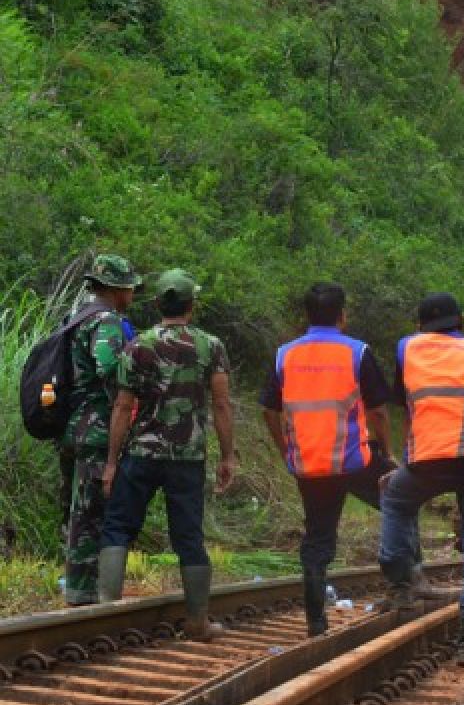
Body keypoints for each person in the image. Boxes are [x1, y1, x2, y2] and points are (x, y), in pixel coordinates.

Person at [379, 292, 464, 667]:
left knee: (395, 500)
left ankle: (399, 578)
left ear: (420, 325)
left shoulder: (407, 350)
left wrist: (406, 460)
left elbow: (409, 408)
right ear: (462, 320)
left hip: (427, 460)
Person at [96, 269, 235, 641]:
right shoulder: (211, 346)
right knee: (188, 536)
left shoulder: (138, 345)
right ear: (192, 306)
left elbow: (123, 408)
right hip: (187, 458)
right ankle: (197, 622)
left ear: (158, 304)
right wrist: (227, 456)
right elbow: (221, 404)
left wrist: (112, 462)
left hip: (141, 453)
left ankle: (106, 610)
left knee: (118, 526)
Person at [259, 282, 400, 636]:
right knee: (400, 504)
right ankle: (406, 587)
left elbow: (269, 410)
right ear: (342, 315)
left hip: (309, 463)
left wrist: (285, 450)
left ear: (306, 316)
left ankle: (315, 621)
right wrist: (390, 452)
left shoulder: (285, 355)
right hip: (354, 461)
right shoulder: (356, 352)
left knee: (318, 538)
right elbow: (379, 411)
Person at [62, 254, 140, 606]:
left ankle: (79, 588)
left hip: (74, 427)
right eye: (129, 287)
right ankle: (84, 595)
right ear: (114, 289)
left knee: (80, 508)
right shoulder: (106, 320)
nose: (133, 294)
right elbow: (109, 369)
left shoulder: (76, 317)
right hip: (96, 428)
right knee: (93, 512)